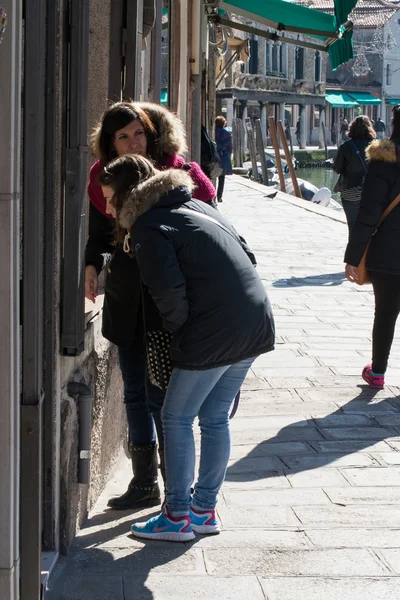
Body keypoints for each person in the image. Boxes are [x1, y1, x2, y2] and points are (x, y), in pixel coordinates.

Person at [99, 154, 275, 541]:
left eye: (111, 199)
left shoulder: (147, 225)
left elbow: (168, 293)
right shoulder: (193, 203)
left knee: (176, 418)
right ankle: (204, 511)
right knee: (214, 418)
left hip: (214, 331)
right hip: (255, 322)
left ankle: (177, 515)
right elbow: (247, 253)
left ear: (130, 195)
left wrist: (182, 340)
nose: (108, 208)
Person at [85, 101, 216, 509]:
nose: (132, 142)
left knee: (164, 396)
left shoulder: (172, 174)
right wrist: (90, 266)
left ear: (151, 134)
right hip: (126, 299)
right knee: (133, 393)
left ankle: (172, 483)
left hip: (165, 302)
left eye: (138, 133)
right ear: (110, 143)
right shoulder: (103, 180)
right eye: (122, 137)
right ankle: (144, 482)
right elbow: (100, 234)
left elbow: (204, 217)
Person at [345, 105, 400, 390]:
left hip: (388, 254)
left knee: (386, 313)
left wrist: (353, 257)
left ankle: (377, 373)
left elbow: (368, 211)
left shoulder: (384, 161)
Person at [333, 115, 376, 233]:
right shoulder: (376, 146)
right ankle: (367, 250)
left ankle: (354, 249)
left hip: (349, 191)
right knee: (370, 227)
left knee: (352, 226)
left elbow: (337, 168)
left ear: (351, 128)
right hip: (371, 191)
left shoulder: (346, 146)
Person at [215, 116, 233, 202]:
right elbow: (230, 148)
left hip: (214, 156)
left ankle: (211, 194)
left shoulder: (213, 132)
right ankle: (219, 196)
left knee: (212, 174)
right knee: (221, 178)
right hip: (223, 156)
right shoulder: (227, 134)